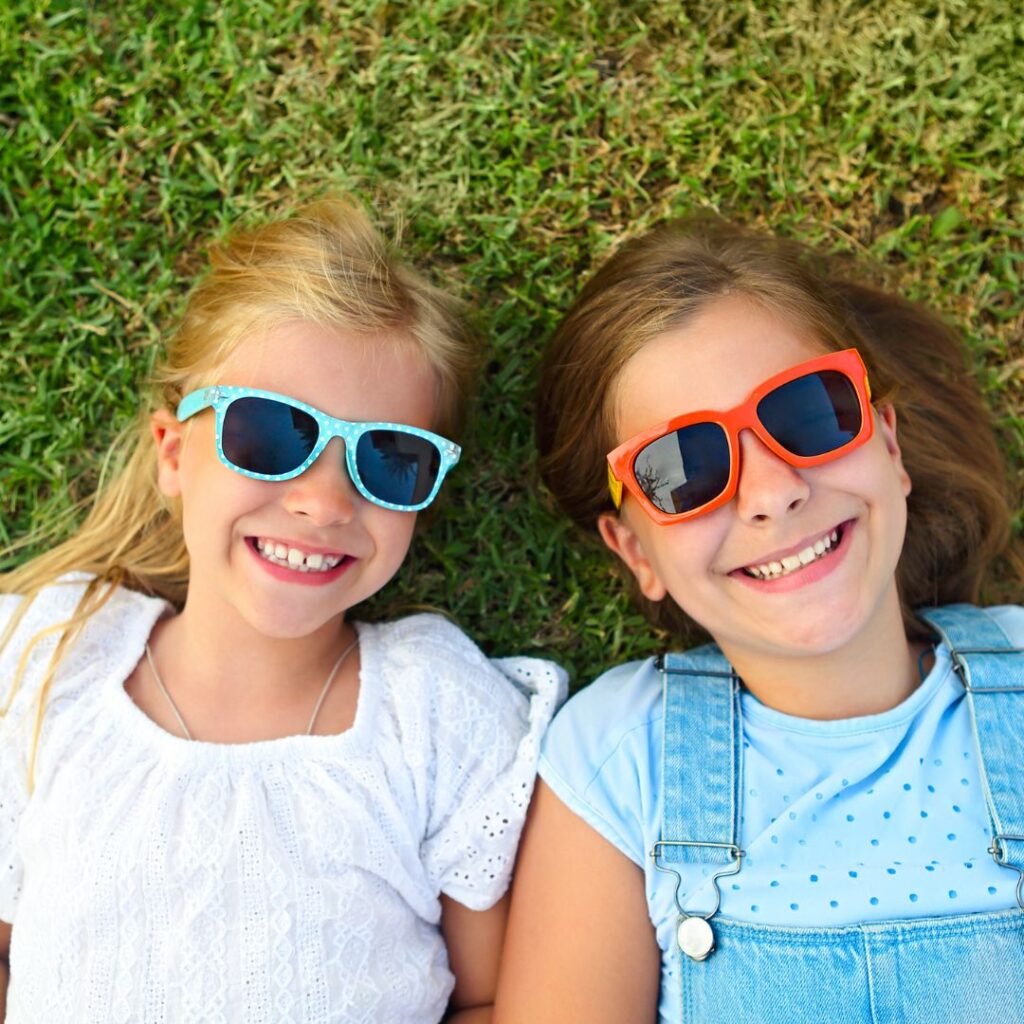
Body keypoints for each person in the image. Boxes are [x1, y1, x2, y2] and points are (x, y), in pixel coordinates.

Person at [0, 199, 565, 1023]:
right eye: (269, 436)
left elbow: (487, 1000)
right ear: (173, 454)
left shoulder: (433, 712)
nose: (324, 500)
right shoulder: (47, 658)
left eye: (388, 457)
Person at [494, 216, 1023, 1023]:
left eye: (809, 413)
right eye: (683, 468)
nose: (772, 491)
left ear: (887, 440)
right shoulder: (620, 759)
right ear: (633, 548)